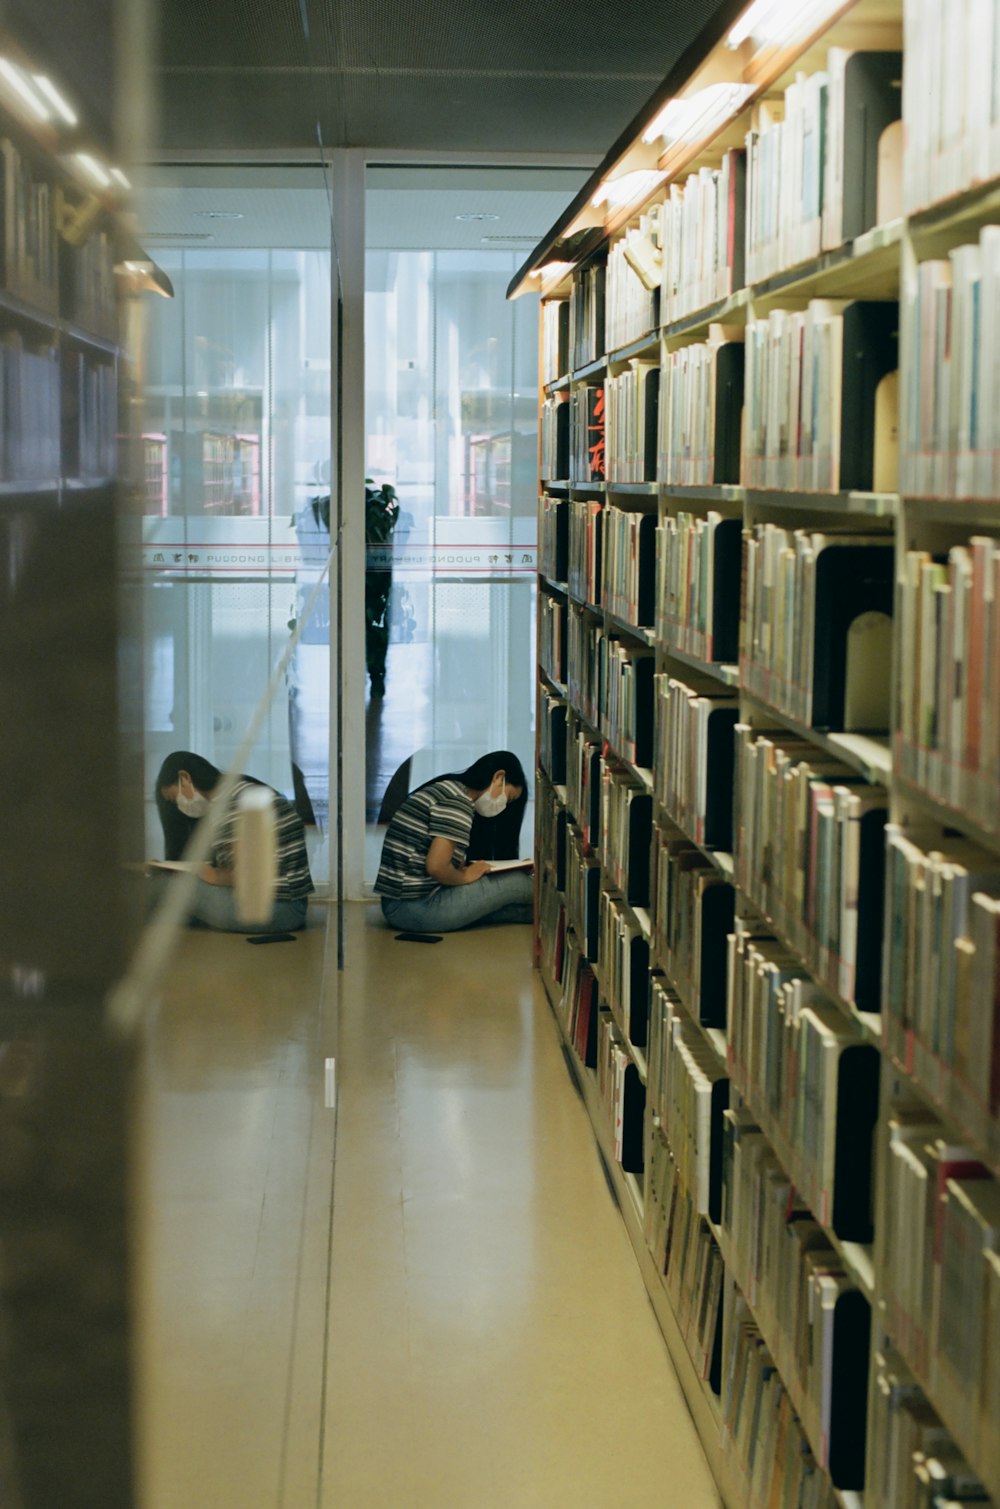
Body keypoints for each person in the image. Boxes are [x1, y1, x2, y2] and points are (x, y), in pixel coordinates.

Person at [153, 751, 314, 933]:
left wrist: (208, 873)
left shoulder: (229, 805)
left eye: (175, 799)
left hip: (277, 911)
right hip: (294, 906)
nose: (179, 806)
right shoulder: (243, 790)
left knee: (159, 884)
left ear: (184, 778)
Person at [375, 750, 534, 933]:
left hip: (399, 906)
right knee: (518, 883)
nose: (504, 805)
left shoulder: (449, 789)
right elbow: (436, 867)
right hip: (415, 907)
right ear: (499, 777)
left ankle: (534, 915)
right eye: (509, 797)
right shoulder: (458, 803)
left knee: (523, 910)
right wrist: (465, 876)